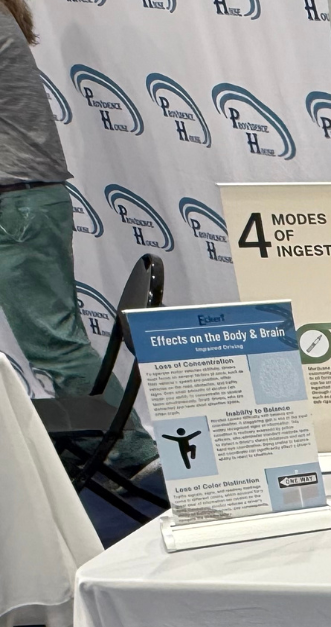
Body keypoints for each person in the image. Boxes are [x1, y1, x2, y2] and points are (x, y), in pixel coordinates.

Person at [0, 0, 161, 472]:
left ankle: (129, 453)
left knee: (54, 342)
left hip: (16, 205)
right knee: (55, 339)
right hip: (22, 201)